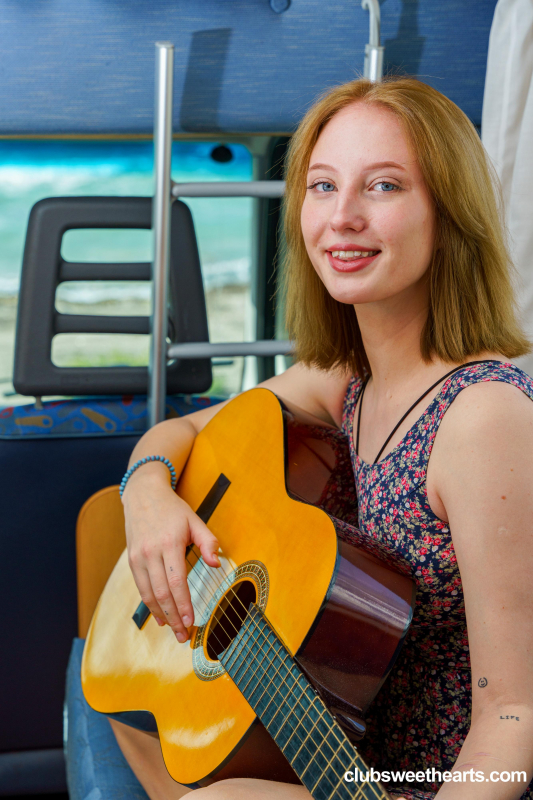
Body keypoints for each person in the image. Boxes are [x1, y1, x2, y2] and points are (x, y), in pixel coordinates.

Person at [109, 77, 533, 800]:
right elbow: (179, 429)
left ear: (448, 214)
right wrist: (145, 489)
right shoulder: (347, 379)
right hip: (344, 749)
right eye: (322, 185)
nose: (341, 218)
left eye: (384, 186)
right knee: (131, 701)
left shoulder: (483, 415)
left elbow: (516, 713)